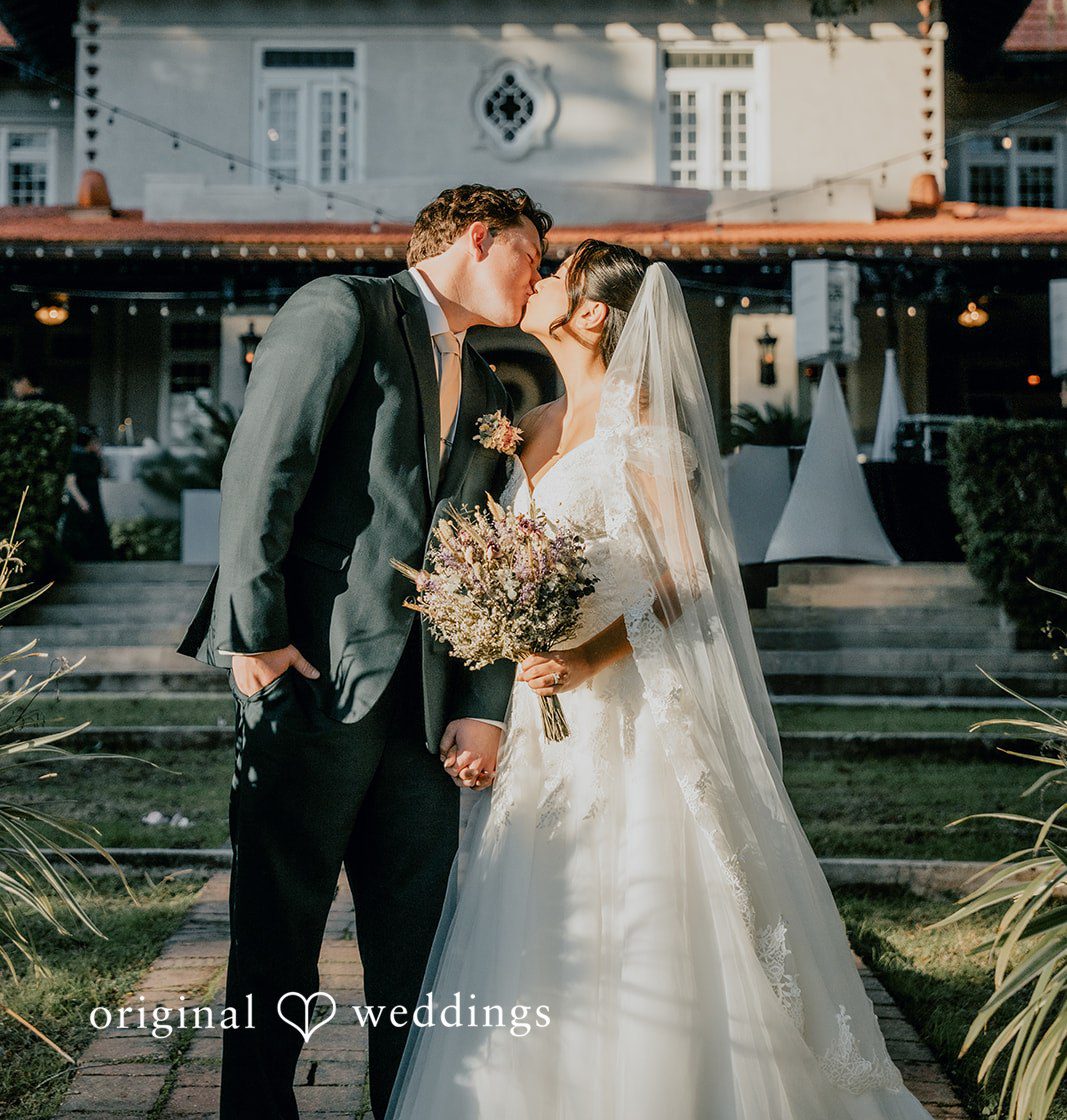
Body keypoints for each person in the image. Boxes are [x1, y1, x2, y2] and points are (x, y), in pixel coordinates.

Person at [384, 241, 939, 1120]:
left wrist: (583, 658)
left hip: (626, 699)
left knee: (647, 885)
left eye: (555, 275)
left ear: (592, 313)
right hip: (539, 708)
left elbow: (683, 581)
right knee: (538, 894)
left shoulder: (642, 431)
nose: (538, 282)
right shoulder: (523, 424)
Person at [175, 184, 551, 1120]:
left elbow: (484, 549)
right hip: (311, 675)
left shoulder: (496, 387)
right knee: (279, 933)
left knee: (415, 944)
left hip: (424, 712)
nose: (536, 279)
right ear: (478, 237)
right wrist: (256, 636)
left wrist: (481, 696)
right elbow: (263, 465)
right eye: (530, 258)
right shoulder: (341, 309)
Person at [59, 424, 114, 561]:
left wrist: (100, 456)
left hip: (94, 497)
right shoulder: (75, 457)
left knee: (96, 530)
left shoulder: (94, 457)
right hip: (80, 498)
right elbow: (70, 482)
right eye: (94, 441)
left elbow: (105, 474)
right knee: (78, 529)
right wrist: (81, 501)